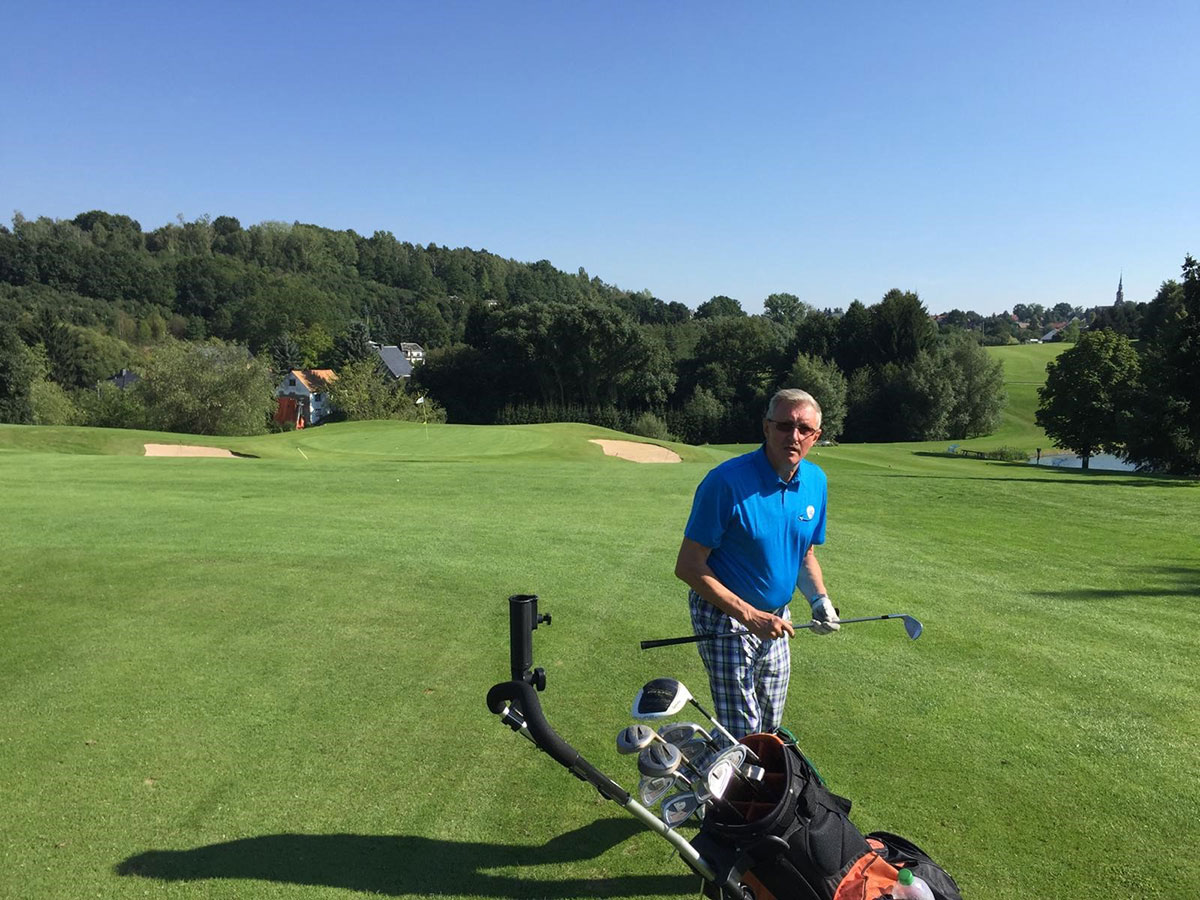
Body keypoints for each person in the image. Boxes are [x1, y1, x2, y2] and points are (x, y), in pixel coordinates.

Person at [674, 388, 839, 738]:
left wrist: (819, 599)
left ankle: (725, 763)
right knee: (744, 731)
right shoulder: (725, 482)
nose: (794, 436)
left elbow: (805, 554)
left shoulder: (816, 482)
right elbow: (688, 565)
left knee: (770, 723)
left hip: (777, 618)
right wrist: (749, 616)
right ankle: (727, 771)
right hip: (724, 615)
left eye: (804, 429)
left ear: (816, 436)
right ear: (766, 427)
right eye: (784, 426)